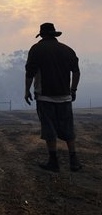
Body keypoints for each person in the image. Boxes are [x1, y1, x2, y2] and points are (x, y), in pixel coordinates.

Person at [25, 22, 82, 172]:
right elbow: (76, 72)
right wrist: (73, 90)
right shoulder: (67, 50)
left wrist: (27, 90)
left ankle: (53, 161)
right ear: (54, 34)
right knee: (68, 128)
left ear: (42, 35)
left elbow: (30, 73)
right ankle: (74, 160)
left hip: (45, 97)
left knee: (49, 129)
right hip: (65, 96)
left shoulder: (37, 49)